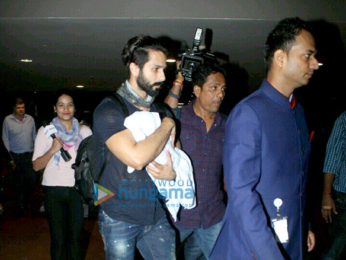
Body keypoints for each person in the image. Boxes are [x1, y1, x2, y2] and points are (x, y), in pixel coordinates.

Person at [210, 17, 319, 260]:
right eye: (308, 55)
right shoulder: (249, 112)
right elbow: (241, 194)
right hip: (253, 247)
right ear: (281, 58)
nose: (316, 63)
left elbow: (298, 179)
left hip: (291, 236)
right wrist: (270, 254)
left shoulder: (297, 111)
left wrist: (305, 225)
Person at [93, 35, 176, 260]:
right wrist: (168, 124)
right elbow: (137, 158)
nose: (163, 75)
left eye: (164, 69)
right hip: (118, 215)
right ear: (134, 68)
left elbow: (174, 152)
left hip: (156, 213)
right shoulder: (110, 109)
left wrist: (172, 172)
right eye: (156, 69)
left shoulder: (161, 109)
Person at [165, 63, 227, 260]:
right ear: (198, 90)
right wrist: (179, 79)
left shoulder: (228, 124)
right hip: (179, 215)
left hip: (213, 214)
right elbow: (163, 113)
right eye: (214, 87)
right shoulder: (179, 118)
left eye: (223, 89)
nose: (220, 94)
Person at [32, 89, 92, 260]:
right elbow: (36, 166)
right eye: (61, 105)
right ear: (55, 108)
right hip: (53, 190)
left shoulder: (85, 131)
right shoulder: (46, 132)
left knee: (75, 239)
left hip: (77, 190)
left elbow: (93, 162)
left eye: (70, 105)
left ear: (74, 108)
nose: (66, 109)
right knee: (58, 240)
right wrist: (52, 150)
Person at [2, 97, 36, 212]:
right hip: (15, 156)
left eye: (22, 108)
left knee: (31, 179)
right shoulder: (7, 120)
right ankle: (21, 204)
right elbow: (5, 139)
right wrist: (9, 158)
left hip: (29, 155)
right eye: (18, 108)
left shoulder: (30, 119)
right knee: (18, 181)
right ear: (14, 108)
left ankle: (26, 200)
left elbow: (34, 137)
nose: (21, 110)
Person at [321, 111, 346, 259]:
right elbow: (332, 158)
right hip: (344, 196)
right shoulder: (344, 119)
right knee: (336, 249)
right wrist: (326, 194)